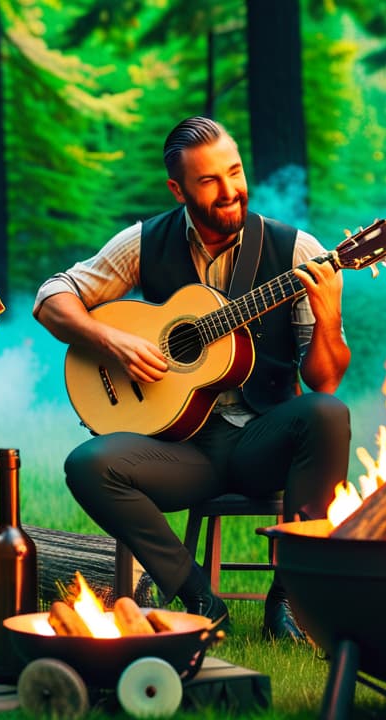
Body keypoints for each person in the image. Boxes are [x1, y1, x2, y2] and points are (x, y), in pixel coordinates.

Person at [33, 116, 352, 642]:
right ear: (177, 189)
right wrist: (113, 341)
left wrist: (330, 316)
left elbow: (325, 381)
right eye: (209, 181)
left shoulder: (295, 250)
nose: (230, 192)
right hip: (183, 451)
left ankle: (292, 597)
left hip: (261, 440)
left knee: (327, 414)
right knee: (87, 464)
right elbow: (51, 297)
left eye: (235, 172)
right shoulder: (143, 242)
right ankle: (198, 597)